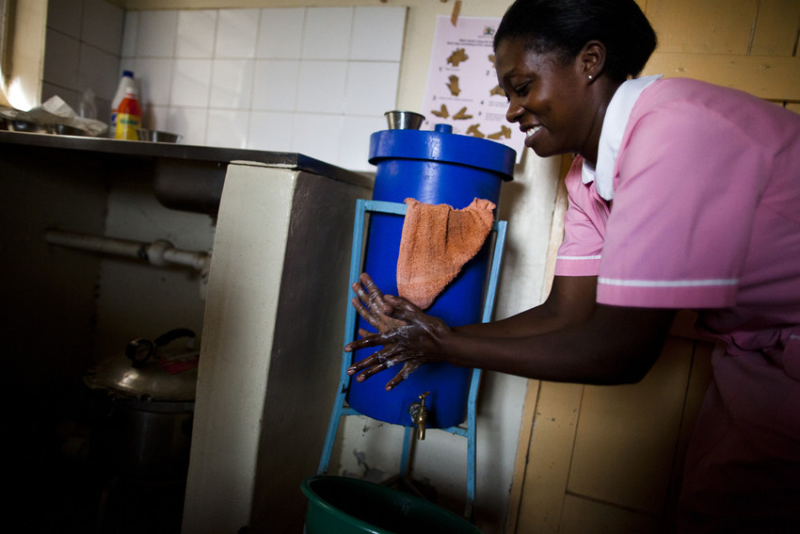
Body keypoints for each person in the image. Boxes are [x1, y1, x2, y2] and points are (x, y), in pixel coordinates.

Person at [344, 0, 800, 531]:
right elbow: (565, 313)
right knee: (710, 508)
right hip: (758, 351)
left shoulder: (674, 132)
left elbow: (621, 352)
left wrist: (445, 347)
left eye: (521, 86)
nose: (513, 112)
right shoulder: (587, 174)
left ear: (590, 60)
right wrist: (444, 333)